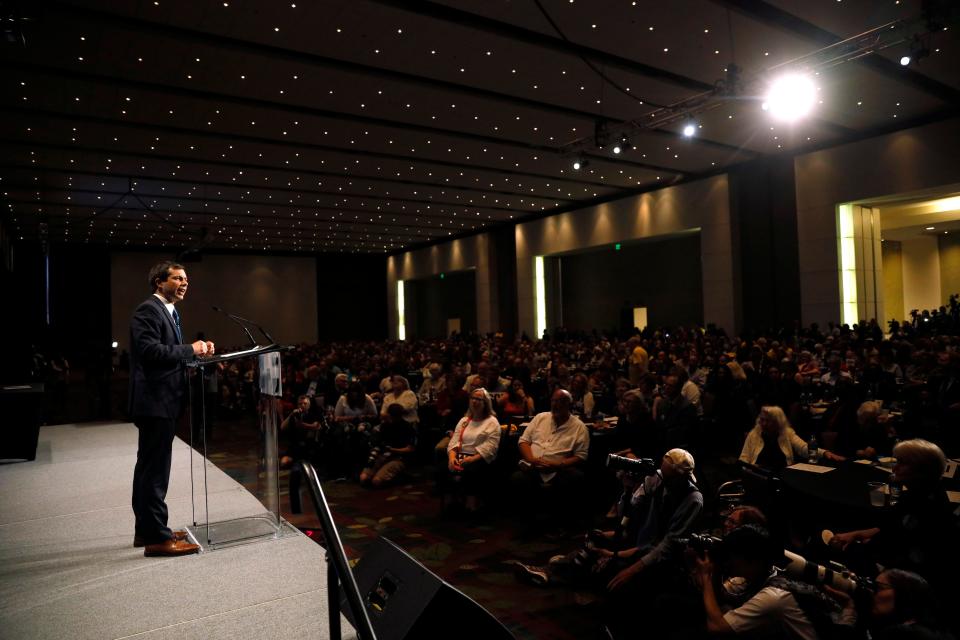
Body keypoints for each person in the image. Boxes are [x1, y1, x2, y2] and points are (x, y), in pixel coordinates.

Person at [129, 260, 213, 557]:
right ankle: (158, 538)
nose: (184, 283)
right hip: (155, 402)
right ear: (158, 282)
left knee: (149, 469)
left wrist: (196, 353)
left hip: (164, 400)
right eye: (178, 278)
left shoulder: (170, 312)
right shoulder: (149, 310)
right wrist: (191, 348)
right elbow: (151, 352)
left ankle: (148, 530)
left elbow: (169, 355)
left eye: (186, 278)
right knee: (154, 472)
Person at [692, 524, 855, 638]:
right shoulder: (768, 574)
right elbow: (720, 599)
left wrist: (706, 576)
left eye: (733, 559)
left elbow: (717, 627)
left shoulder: (773, 597)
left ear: (753, 561)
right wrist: (716, 570)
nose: (728, 563)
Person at [444, 388, 501, 513]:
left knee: (472, 470)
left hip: (479, 457)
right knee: (445, 467)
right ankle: (451, 504)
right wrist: (452, 458)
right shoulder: (464, 420)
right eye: (473, 398)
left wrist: (471, 459)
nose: (474, 401)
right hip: (461, 455)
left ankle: (472, 507)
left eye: (478, 399)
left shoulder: (492, 422)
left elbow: (490, 447)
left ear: (485, 403)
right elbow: (454, 441)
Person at [738, 405, 808, 472]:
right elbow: (744, 458)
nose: (764, 423)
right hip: (759, 477)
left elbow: (803, 448)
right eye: (762, 419)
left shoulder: (787, 433)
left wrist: (815, 451)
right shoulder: (754, 434)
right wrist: (747, 471)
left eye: (768, 420)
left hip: (782, 477)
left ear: (778, 422)